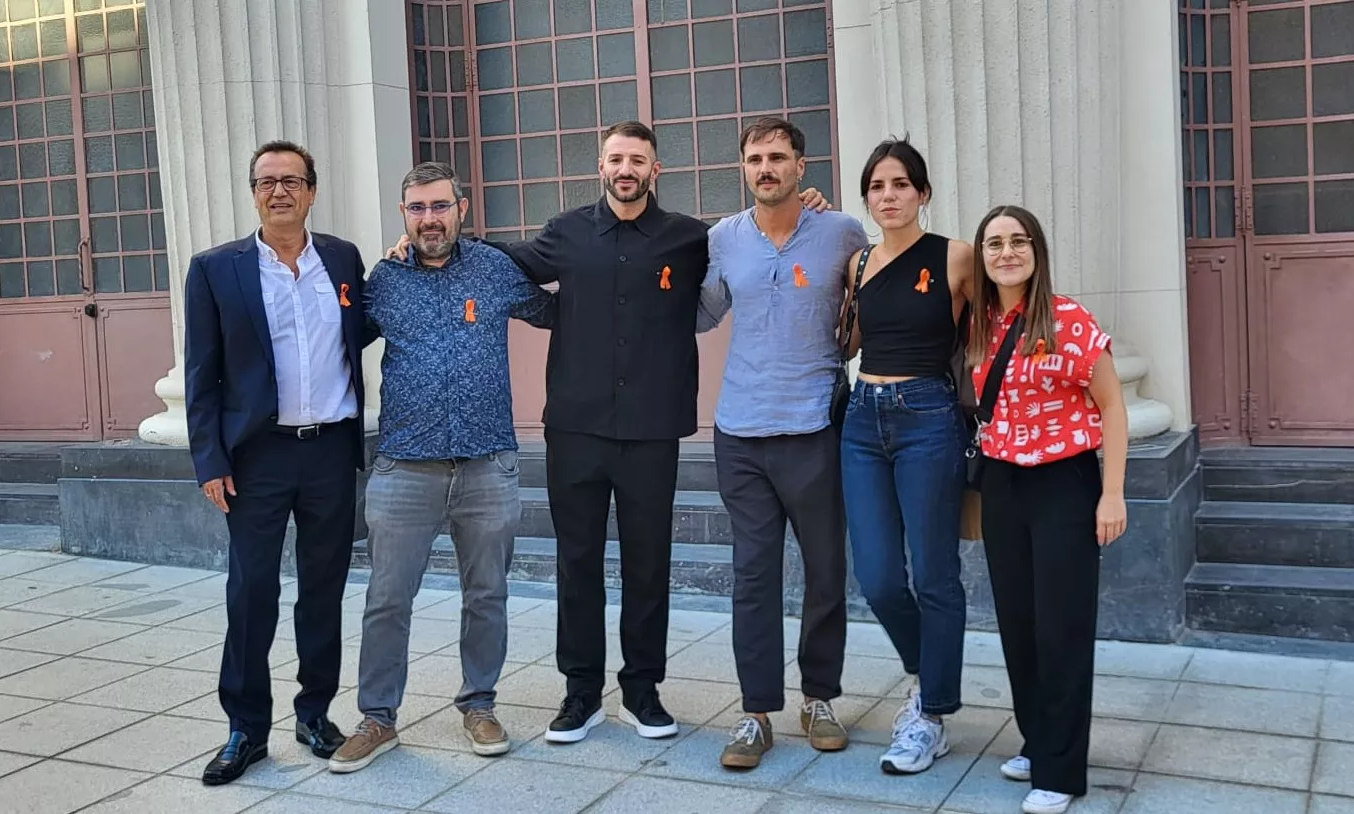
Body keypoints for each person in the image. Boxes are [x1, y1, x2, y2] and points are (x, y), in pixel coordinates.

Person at [383, 121, 826, 745]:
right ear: (601, 165)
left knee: (649, 566)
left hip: (653, 430)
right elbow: (498, 258)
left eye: (637, 160)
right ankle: (581, 694)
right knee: (578, 562)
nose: (626, 169)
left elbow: (754, 236)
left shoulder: (689, 238)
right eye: (616, 158)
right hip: (575, 430)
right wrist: (423, 238)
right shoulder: (566, 232)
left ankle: (643, 692)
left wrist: (802, 204)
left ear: (655, 170)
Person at [326, 163, 557, 773]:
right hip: (405, 467)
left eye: (439, 206)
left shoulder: (494, 269)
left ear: (462, 206)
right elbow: (337, 338)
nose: (429, 219)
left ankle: (479, 704)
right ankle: (378, 718)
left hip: (488, 464)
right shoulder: (384, 279)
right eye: (417, 209)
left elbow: (562, 312)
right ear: (404, 215)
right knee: (386, 598)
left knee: (486, 594)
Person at [184, 140, 365, 784]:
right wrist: (209, 460)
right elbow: (202, 377)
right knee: (251, 592)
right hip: (255, 459)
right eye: (267, 181)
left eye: (292, 180)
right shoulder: (215, 270)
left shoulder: (342, 259)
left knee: (323, 591)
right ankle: (245, 729)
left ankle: (315, 713)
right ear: (254, 192)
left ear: (312, 191)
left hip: (331, 453)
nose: (279, 191)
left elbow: (361, 326)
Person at [696, 116, 869, 769]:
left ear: (802, 166)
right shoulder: (722, 239)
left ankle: (819, 698)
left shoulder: (842, 232)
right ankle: (755, 713)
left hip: (815, 427)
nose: (765, 168)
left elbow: (869, 303)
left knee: (826, 571)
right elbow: (703, 311)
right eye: (754, 158)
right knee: (753, 576)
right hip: (739, 429)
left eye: (777, 157)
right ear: (743, 168)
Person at [967, 204, 1128, 814]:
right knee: (1019, 622)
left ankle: (1061, 771)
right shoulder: (980, 325)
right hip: (1004, 486)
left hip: (1065, 484)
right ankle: (1038, 740)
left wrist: (1111, 493)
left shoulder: (1069, 319)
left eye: (1018, 241)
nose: (1006, 252)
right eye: (994, 244)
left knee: (1062, 626)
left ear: (1037, 250)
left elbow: (1112, 407)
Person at [836, 139, 975, 775]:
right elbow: (850, 339)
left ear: (922, 192)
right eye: (876, 186)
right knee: (879, 577)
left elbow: (992, 332)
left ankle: (930, 713)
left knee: (935, 574)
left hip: (929, 420)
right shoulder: (859, 263)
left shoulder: (956, 257)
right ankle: (927, 674)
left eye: (900, 184)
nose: (887, 196)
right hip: (864, 420)